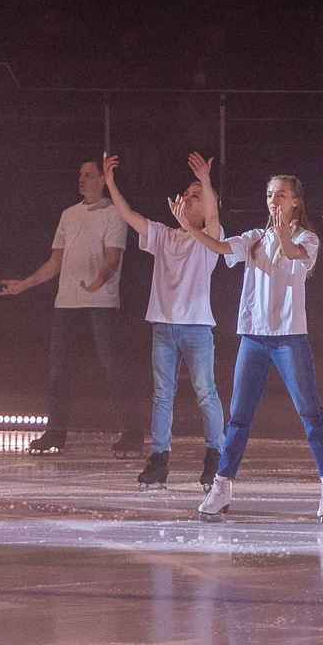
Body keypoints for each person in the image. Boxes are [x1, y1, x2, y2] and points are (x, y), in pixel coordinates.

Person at [174, 154, 323, 524]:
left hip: (290, 338)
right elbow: (219, 247)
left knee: (310, 413)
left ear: (295, 201)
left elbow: (295, 254)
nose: (273, 200)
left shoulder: (307, 238)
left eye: (280, 195)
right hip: (253, 337)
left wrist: (283, 235)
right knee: (239, 417)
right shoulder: (254, 238)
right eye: (269, 195)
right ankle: (222, 486)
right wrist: (189, 226)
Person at [0, 157, 143, 457]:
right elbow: (55, 263)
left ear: (103, 180)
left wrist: (99, 280)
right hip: (66, 303)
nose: (82, 178)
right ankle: (55, 432)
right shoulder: (68, 215)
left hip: (101, 303)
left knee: (111, 364)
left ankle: (132, 432)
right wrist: (24, 284)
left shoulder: (114, 214)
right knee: (58, 368)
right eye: (80, 174)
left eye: (88, 174)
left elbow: (113, 258)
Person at [99, 153, 225, 492]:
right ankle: (159, 460)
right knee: (162, 395)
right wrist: (110, 183)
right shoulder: (165, 235)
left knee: (206, 392)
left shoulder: (209, 239)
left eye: (196, 195)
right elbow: (129, 216)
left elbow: (213, 218)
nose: (188, 197)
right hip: (163, 327)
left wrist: (206, 180)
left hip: (197, 327)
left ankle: (215, 456)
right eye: (187, 193)